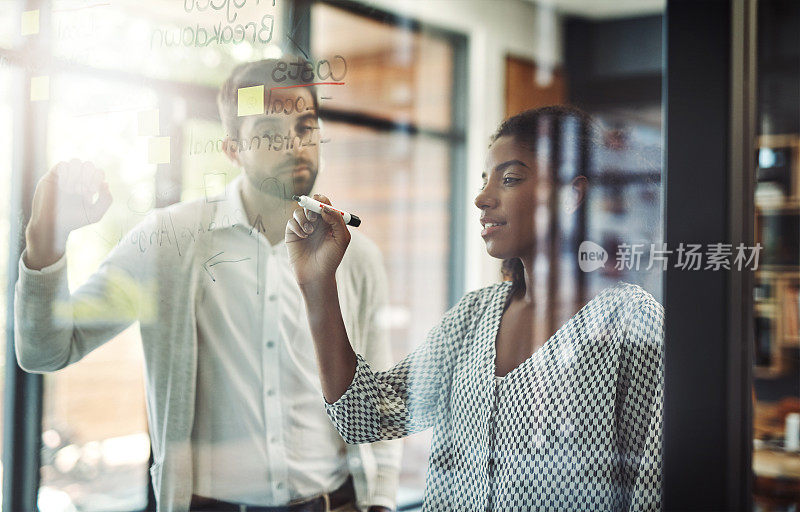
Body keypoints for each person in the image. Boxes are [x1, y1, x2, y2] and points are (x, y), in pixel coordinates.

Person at [15, 58, 401, 512]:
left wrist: (382, 502)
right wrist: (46, 241)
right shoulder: (168, 243)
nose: (294, 142)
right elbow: (46, 350)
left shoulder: (358, 256)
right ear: (232, 148)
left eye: (306, 125)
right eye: (268, 128)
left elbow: (377, 399)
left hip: (338, 503)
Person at [285, 105, 665, 511]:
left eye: (511, 179)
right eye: (486, 179)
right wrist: (318, 282)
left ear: (572, 195)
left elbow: (653, 490)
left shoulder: (629, 322)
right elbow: (364, 416)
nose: (482, 198)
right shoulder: (473, 316)